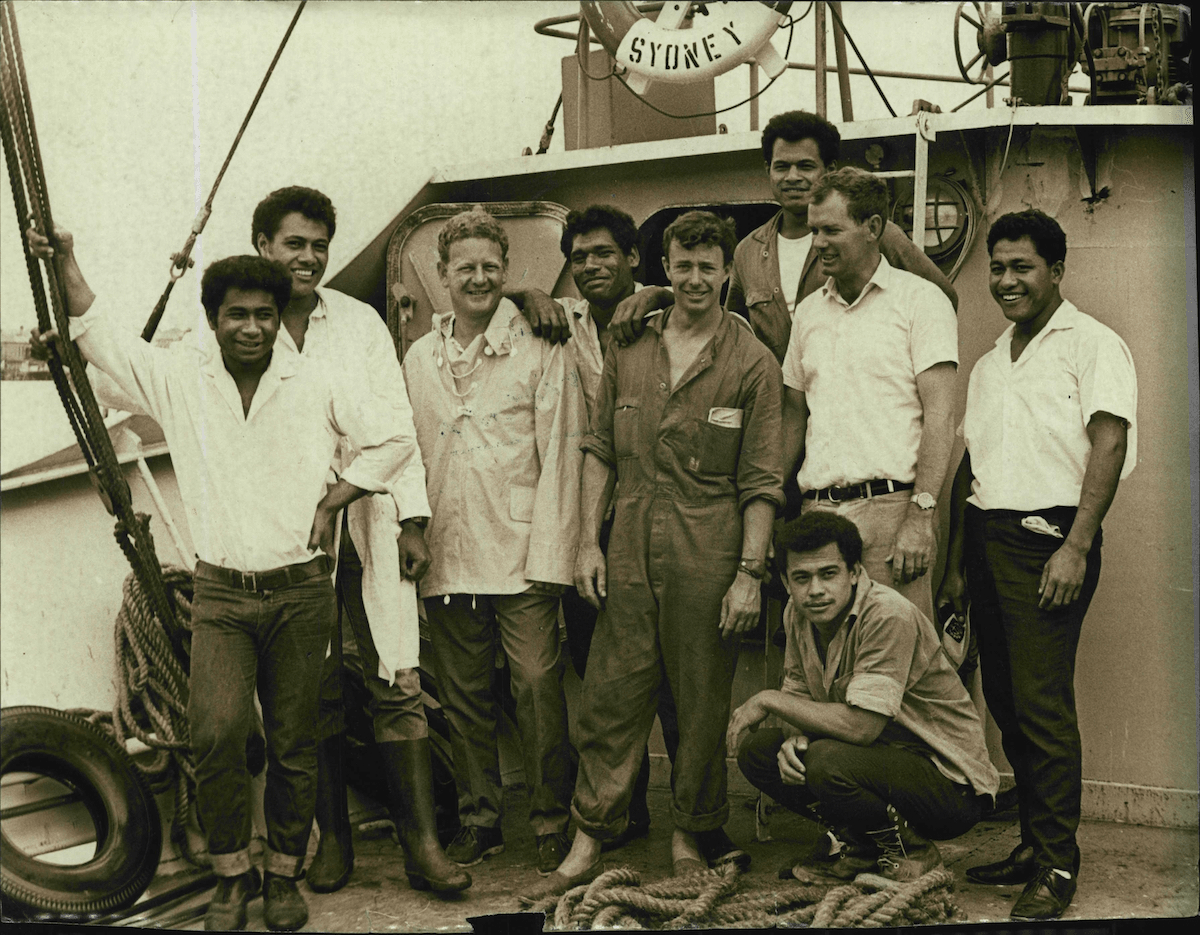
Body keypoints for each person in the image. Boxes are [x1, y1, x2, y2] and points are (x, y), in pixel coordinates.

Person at [27, 227, 417, 932]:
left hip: (300, 592)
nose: (252, 326)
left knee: (296, 743)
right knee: (215, 735)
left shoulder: (317, 380)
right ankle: (233, 872)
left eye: (264, 315)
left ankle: (284, 874)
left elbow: (395, 438)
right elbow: (98, 329)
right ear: (214, 319)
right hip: (222, 595)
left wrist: (340, 494)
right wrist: (66, 255)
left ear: (278, 319)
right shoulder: (182, 379)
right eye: (237, 314)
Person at [527, 210, 784, 900]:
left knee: (701, 701)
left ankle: (689, 832)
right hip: (631, 534)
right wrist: (587, 541)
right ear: (663, 267)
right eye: (683, 264)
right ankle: (589, 837)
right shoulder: (631, 344)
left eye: (708, 265)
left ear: (727, 270)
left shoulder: (753, 361)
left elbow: (762, 480)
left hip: (711, 540)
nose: (695, 277)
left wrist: (750, 576)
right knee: (611, 692)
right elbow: (600, 450)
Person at [249, 187, 468, 896]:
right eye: (294, 244)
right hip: (289, 533)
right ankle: (332, 840)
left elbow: (396, 423)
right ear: (263, 246)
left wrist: (410, 519)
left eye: (318, 245)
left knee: (397, 678)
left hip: (369, 516)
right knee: (310, 691)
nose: (308, 257)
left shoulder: (360, 322)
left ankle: (423, 847)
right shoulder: (243, 325)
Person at [938, 209, 1137, 921]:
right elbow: (974, 467)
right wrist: (960, 566)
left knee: (1043, 706)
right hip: (989, 543)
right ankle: (1031, 841)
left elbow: (1108, 444)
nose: (1006, 280)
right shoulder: (993, 361)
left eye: (1022, 266)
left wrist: (1076, 546)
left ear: (1057, 269)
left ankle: (1056, 863)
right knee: (1011, 702)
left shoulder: (1092, 345)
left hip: (1049, 540)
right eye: (997, 267)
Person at [402, 207, 586, 875]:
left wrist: (553, 557)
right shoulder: (420, 357)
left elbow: (561, 453)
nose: (478, 277)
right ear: (442, 276)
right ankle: (481, 819)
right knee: (465, 696)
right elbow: (407, 450)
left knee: (537, 684)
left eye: (490, 266)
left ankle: (549, 816)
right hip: (449, 549)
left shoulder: (540, 340)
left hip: (524, 549)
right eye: (465, 268)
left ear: (506, 272)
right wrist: (411, 527)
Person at [729, 511, 998, 883]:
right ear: (786, 582)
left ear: (854, 572)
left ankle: (912, 850)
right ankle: (861, 846)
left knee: (825, 760)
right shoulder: (797, 613)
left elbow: (862, 727)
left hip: (948, 785)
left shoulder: (888, 614)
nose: (816, 590)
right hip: (874, 762)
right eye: (801, 578)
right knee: (759, 752)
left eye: (828, 574)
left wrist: (769, 700)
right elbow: (798, 691)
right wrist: (795, 736)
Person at [779, 167, 958, 623]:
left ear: (873, 228)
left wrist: (921, 517)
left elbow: (940, 417)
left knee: (901, 666)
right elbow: (793, 418)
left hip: (892, 513)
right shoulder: (809, 313)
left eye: (831, 230)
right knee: (822, 668)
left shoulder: (921, 301)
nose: (817, 242)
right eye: (814, 230)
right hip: (817, 516)